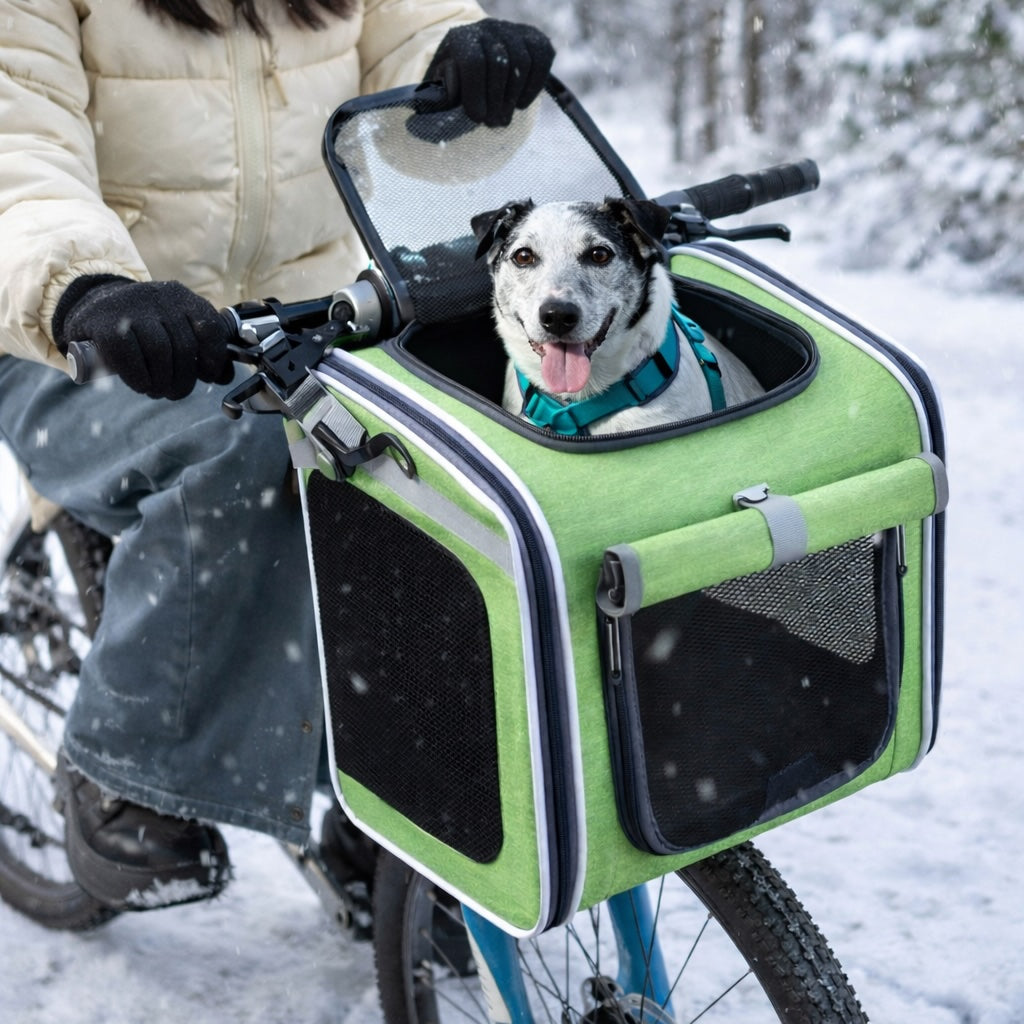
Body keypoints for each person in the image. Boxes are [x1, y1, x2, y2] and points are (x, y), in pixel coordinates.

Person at [0, 0, 553, 910]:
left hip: (303, 323)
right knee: (253, 462)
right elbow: (18, 152)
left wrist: (468, 63)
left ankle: (388, 800)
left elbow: (414, 62)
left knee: (434, 477)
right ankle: (128, 773)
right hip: (84, 334)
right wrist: (85, 283)